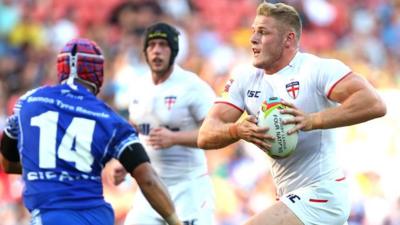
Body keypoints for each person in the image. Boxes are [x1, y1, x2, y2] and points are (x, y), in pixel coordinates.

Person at [197, 2, 387, 225]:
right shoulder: (244, 79)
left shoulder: (316, 69)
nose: (253, 39)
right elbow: (205, 135)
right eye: (253, 31)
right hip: (289, 196)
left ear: (288, 39)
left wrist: (312, 120)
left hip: (323, 195)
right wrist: (236, 129)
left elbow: (374, 103)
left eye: (264, 32)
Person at [0, 38, 182, 225]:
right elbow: (148, 179)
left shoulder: (28, 102)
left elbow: (7, 163)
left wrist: (48, 166)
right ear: (98, 73)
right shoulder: (111, 119)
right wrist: (175, 221)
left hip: (51, 218)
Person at [111, 22, 216, 225]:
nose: (156, 50)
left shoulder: (193, 86)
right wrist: (126, 163)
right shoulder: (138, 87)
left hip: (190, 190)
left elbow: (216, 133)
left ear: (174, 50)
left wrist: (175, 138)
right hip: (151, 191)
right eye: (151, 45)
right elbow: (136, 132)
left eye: (163, 45)